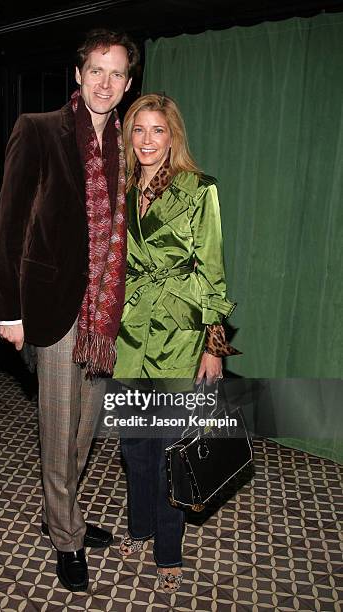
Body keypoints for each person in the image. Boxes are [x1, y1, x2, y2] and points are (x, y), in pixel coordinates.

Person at [0, 29, 139, 592]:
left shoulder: (128, 145)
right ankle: (66, 538)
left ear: (128, 84)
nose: (105, 82)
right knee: (58, 429)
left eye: (117, 73)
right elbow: (8, 225)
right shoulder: (38, 130)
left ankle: (66, 512)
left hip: (106, 310)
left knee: (86, 426)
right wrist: (10, 312)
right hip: (52, 305)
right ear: (77, 76)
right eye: (95, 70)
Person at [113, 94, 240, 593]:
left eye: (157, 131)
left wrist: (214, 344)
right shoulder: (122, 188)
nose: (147, 140)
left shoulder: (198, 189)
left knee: (171, 449)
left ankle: (169, 550)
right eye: (138, 130)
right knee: (134, 446)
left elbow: (212, 271)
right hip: (127, 332)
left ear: (173, 137)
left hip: (180, 333)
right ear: (128, 138)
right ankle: (139, 527)